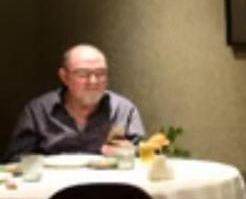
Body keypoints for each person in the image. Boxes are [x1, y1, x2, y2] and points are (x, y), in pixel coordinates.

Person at [6, 44, 144, 161]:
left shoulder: (123, 110)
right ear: (64, 77)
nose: (93, 81)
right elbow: (16, 160)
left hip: (106, 188)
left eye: (100, 73)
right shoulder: (38, 111)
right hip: (52, 188)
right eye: (83, 74)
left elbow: (144, 158)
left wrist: (132, 152)